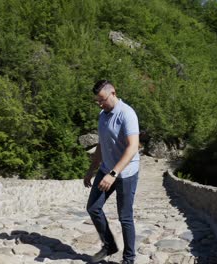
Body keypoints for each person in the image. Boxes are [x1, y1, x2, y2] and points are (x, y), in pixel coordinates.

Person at [84, 80, 140, 264]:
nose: (100, 104)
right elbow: (101, 145)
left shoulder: (127, 114)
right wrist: (91, 170)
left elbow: (132, 148)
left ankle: (129, 259)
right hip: (106, 169)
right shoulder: (103, 115)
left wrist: (113, 174)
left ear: (113, 93)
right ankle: (109, 245)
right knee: (93, 208)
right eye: (97, 101)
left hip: (125, 173)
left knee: (125, 217)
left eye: (102, 100)